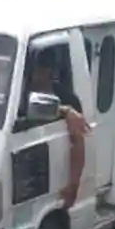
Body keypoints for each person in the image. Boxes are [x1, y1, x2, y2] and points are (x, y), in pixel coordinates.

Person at [27, 48, 88, 205]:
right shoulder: (20, 94)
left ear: (49, 70)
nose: (35, 76)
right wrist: (63, 110)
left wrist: (74, 183)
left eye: (40, 70)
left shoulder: (67, 97)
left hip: (54, 172)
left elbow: (78, 142)